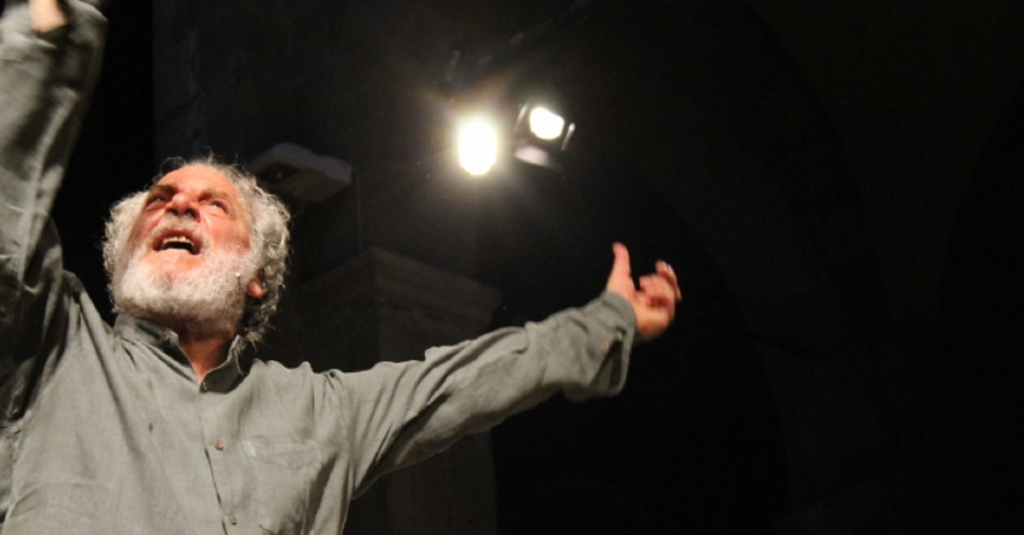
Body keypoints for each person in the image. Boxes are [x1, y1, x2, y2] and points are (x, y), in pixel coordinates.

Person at [0, 0, 682, 533]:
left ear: (257, 275)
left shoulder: (318, 411)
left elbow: (468, 381)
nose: (178, 206)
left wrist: (610, 320)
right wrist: (47, 41)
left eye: (213, 204)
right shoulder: (56, 351)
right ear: (123, 253)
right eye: (160, 200)